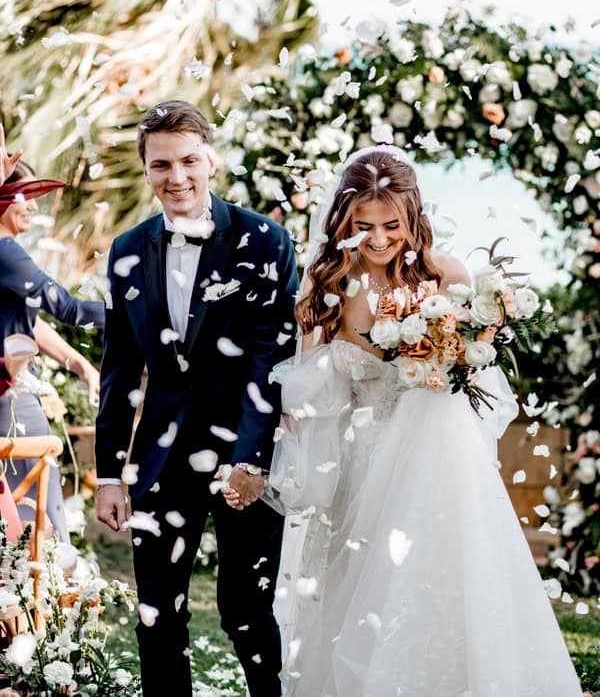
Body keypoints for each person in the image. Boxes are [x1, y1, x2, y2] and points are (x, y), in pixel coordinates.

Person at [267, 147, 583, 697]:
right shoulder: (327, 288)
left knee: (445, 576)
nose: (380, 238)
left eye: (393, 224)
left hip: (439, 459)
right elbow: (304, 394)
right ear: (342, 222)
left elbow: (479, 380)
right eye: (363, 226)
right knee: (359, 586)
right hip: (359, 461)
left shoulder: (448, 275)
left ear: (414, 217)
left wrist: (448, 361)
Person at [95, 100, 298, 697]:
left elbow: (272, 359)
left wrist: (252, 460)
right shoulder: (127, 250)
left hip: (246, 451)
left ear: (211, 158)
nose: (176, 177)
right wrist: (110, 473)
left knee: (247, 613)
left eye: (188, 160)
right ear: (146, 169)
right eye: (161, 165)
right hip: (160, 459)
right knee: (157, 615)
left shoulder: (264, 240)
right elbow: (120, 369)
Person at [0, 161, 104, 540]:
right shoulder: (6, 252)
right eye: (23, 197)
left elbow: (28, 319)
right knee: (37, 514)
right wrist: (137, 308)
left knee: (26, 508)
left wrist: (76, 361)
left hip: (14, 392)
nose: (33, 206)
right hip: (10, 398)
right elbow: (70, 310)